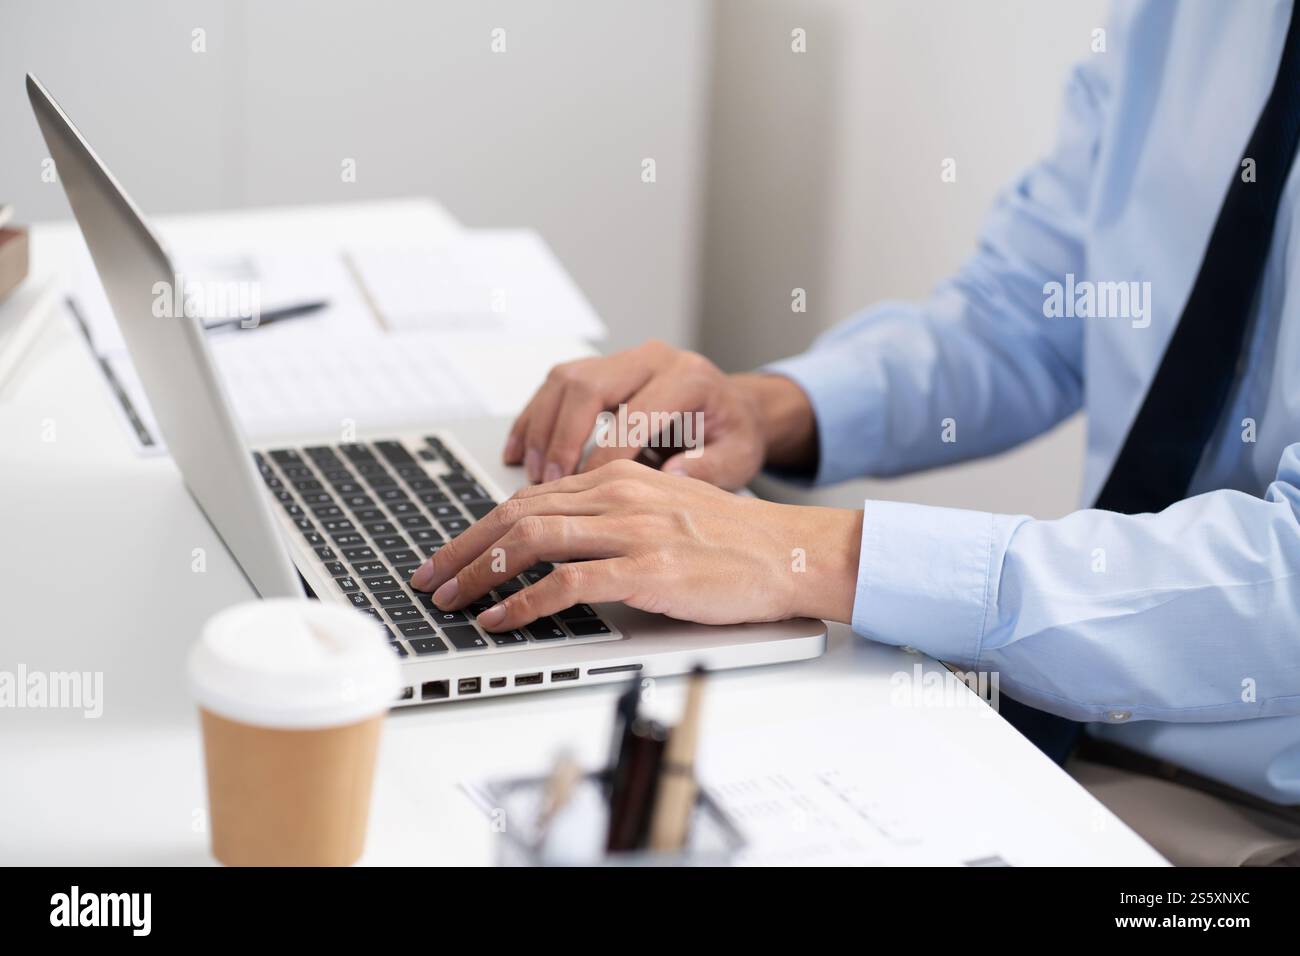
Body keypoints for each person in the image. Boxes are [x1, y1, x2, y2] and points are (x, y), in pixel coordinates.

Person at [412, 1, 1300, 865]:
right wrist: (768, 409)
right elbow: (1022, 317)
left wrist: (817, 554)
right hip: (1055, 716)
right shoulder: (1181, 17)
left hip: (1251, 816)